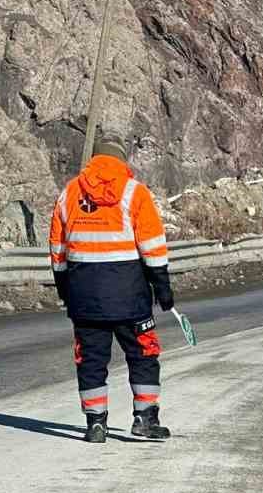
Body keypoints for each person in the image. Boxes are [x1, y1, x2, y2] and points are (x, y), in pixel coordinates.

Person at [49, 139, 175, 444]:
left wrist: (66, 290)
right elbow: (152, 246)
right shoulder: (134, 192)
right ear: (122, 161)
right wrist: (162, 286)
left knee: (91, 360)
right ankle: (145, 419)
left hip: (84, 297)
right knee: (143, 354)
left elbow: (57, 250)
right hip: (129, 296)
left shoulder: (69, 193)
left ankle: (95, 424)